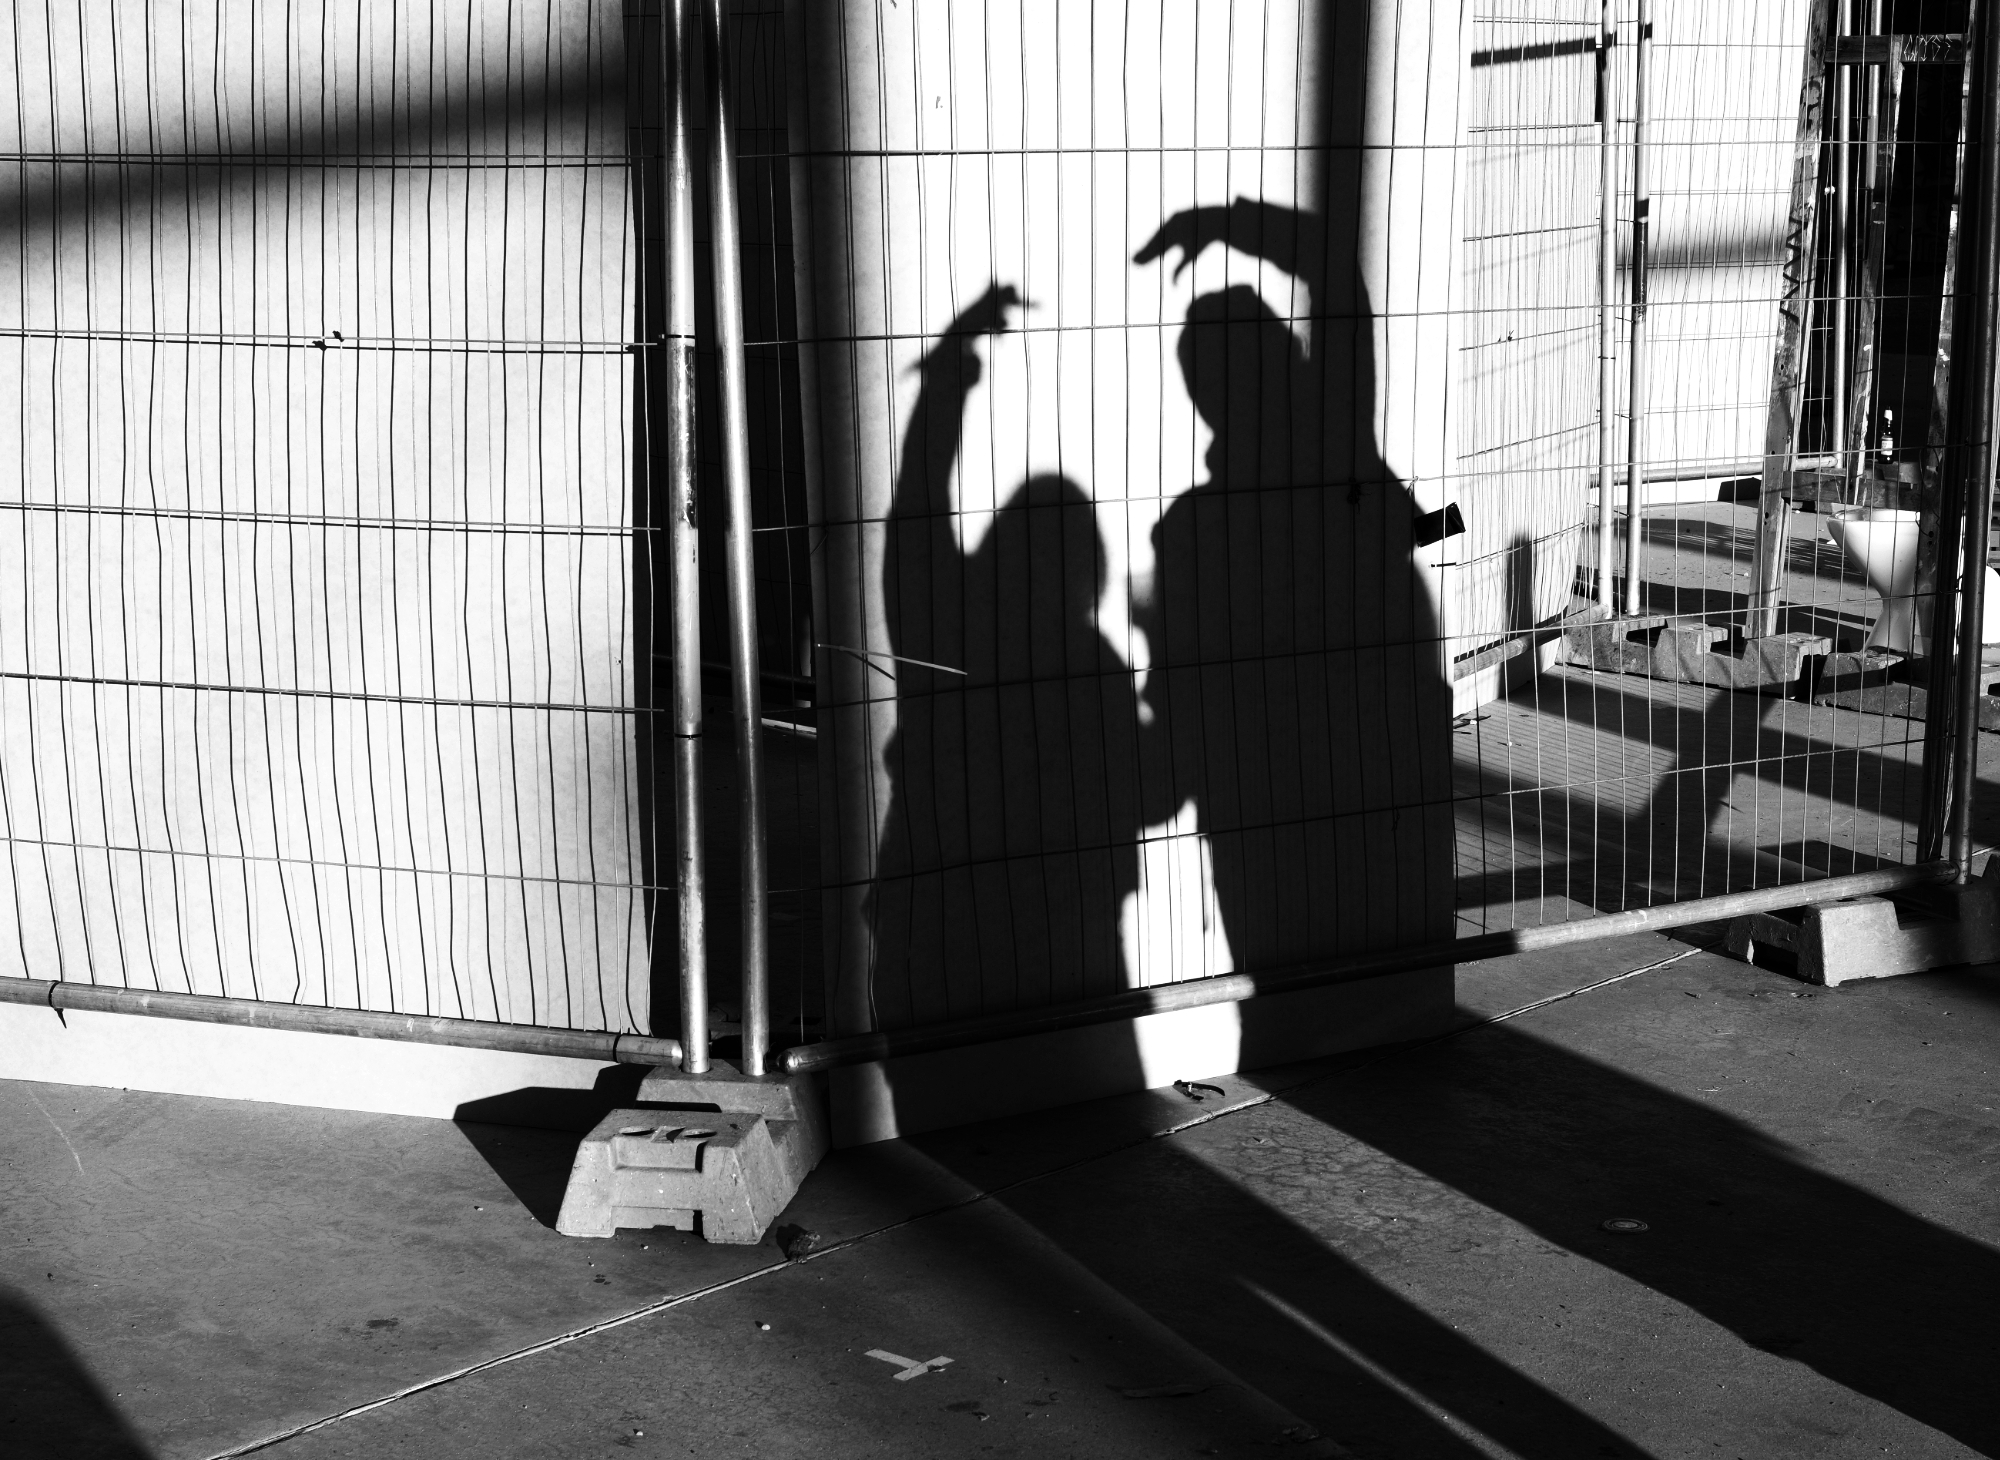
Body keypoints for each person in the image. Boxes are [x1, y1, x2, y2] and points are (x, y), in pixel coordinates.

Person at [1132, 200, 1455, 968]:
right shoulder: (1339, 461)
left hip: (1265, 808)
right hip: (1365, 780)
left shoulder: (1195, 526)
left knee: (1286, 973)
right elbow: (1332, 270)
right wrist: (1220, 223)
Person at [867, 286, 1143, 1028]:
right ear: (1091, 572)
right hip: (1068, 930)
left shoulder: (942, 620)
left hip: (934, 911)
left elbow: (918, 497)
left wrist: (954, 364)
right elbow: (1145, 788)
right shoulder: (1096, 666)